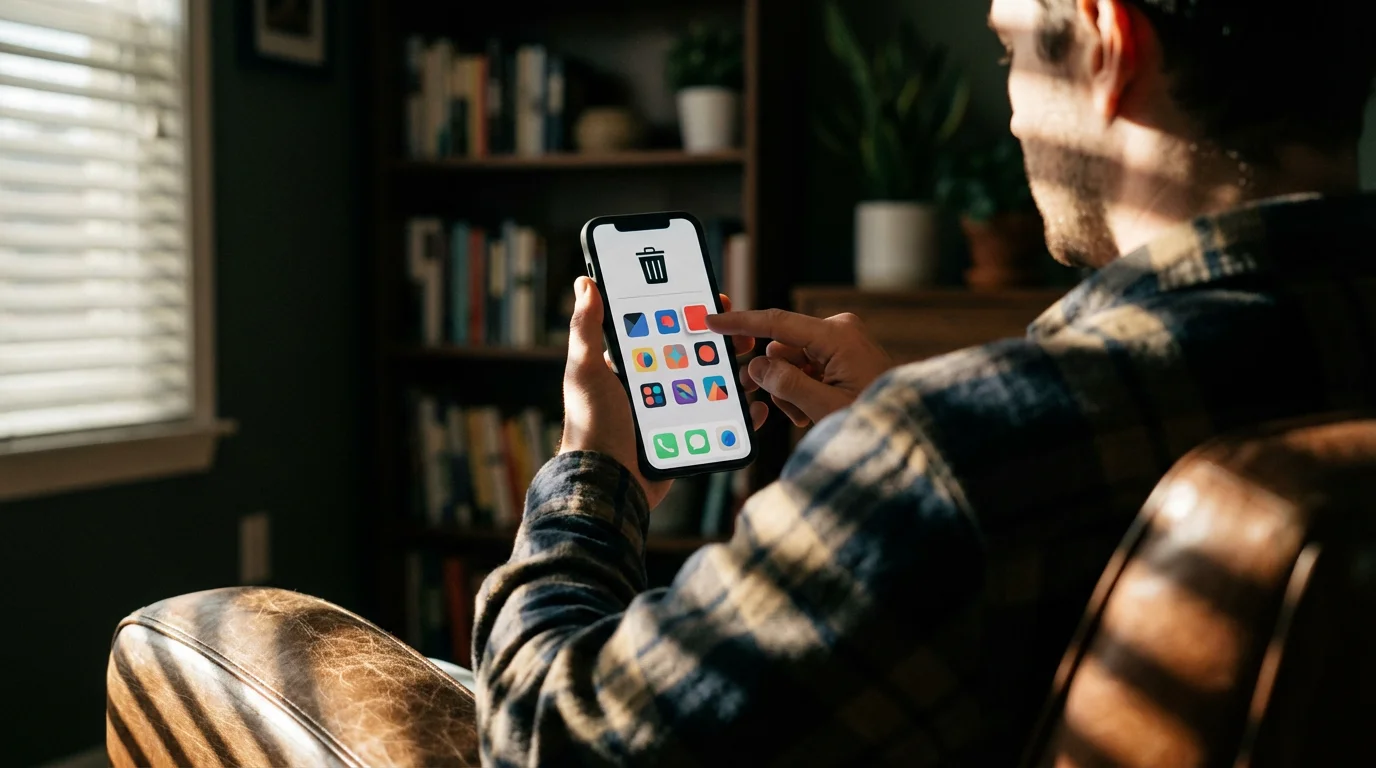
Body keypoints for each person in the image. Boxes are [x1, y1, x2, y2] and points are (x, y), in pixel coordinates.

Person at [472, 0, 1376, 763]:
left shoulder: (959, 457)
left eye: (1007, 49)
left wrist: (593, 477)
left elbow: (558, 733)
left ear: (1106, 46)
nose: (1014, 113)